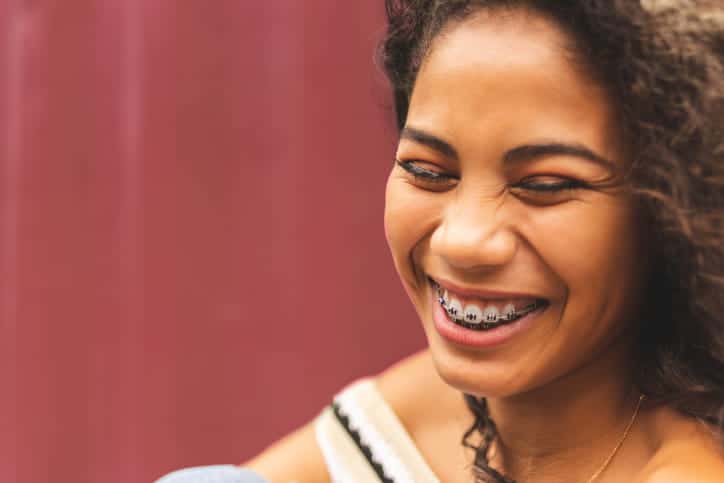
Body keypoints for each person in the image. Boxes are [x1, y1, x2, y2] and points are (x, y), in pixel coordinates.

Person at [157, 1, 724, 481]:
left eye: (544, 185)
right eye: (429, 171)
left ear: (672, 210)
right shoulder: (395, 424)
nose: (462, 241)